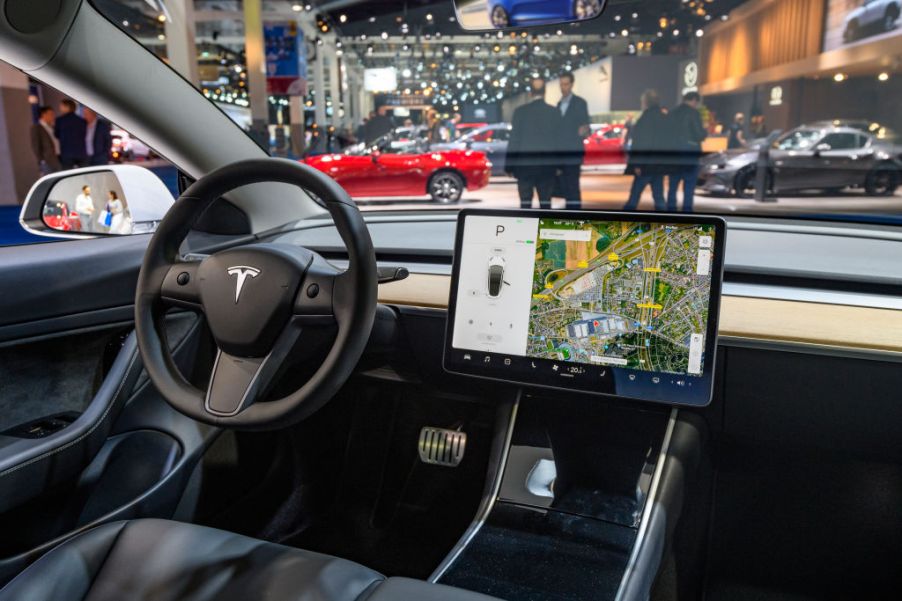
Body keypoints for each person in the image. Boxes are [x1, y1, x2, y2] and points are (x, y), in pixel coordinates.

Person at [505, 77, 561, 209]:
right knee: (546, 204)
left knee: (525, 204)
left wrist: (509, 166)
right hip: (547, 167)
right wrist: (560, 165)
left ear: (530, 93)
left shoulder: (520, 112)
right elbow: (558, 141)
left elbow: (514, 140)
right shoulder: (554, 112)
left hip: (525, 166)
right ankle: (545, 229)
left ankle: (525, 229)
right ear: (545, 92)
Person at [623, 90, 669, 212]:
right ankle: (666, 223)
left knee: (634, 196)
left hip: (645, 165)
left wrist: (637, 163)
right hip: (659, 165)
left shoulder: (645, 119)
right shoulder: (664, 118)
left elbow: (640, 143)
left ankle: (622, 221)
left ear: (645, 102)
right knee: (659, 197)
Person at [666, 92, 707, 212]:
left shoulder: (672, 112)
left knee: (672, 186)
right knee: (689, 186)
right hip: (690, 155)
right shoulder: (694, 113)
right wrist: (704, 132)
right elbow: (699, 134)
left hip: (673, 156)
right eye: (697, 102)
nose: (696, 105)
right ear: (694, 100)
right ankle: (687, 212)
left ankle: (670, 211)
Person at [556, 72, 591, 209]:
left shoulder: (580, 103)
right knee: (565, 188)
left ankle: (575, 217)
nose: (563, 87)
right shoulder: (558, 104)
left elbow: (585, 128)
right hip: (561, 153)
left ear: (571, 84)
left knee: (573, 188)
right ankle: (570, 214)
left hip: (573, 152)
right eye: (561, 84)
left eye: (565, 84)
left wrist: (580, 131)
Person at [55, 98, 88, 169]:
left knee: (67, 175)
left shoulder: (60, 121)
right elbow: (84, 134)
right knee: (84, 174)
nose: (60, 108)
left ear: (67, 107)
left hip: (67, 153)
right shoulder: (82, 121)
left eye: (61, 106)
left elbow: (56, 135)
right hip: (81, 152)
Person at [30, 106, 61, 174]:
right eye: (51, 114)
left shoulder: (52, 127)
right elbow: (35, 145)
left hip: (57, 158)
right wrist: (42, 160)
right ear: (44, 115)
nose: (53, 116)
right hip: (47, 161)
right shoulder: (37, 128)